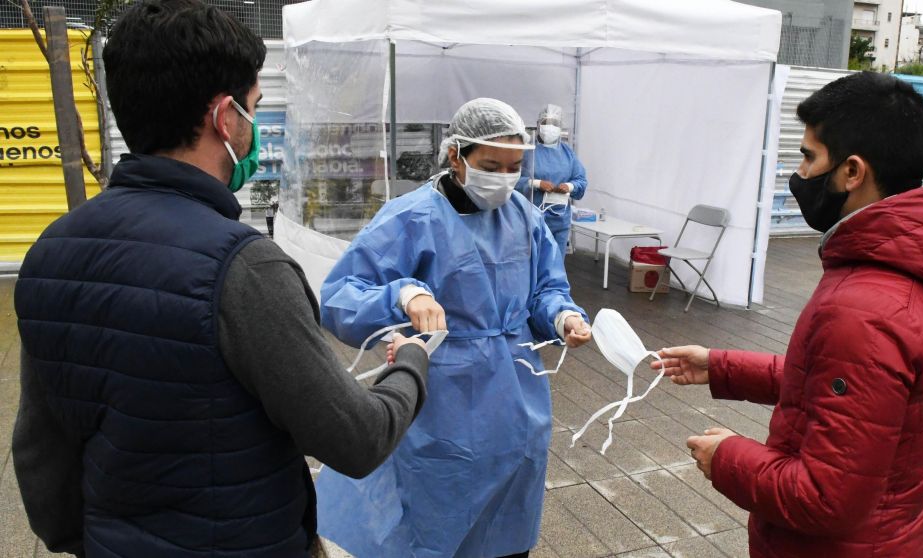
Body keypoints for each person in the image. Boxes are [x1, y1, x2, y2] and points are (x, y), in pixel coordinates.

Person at [12, 2, 429, 556]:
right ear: (225, 117)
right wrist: (413, 366)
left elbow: (42, 453)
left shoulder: (52, 250)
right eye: (255, 108)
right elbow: (355, 439)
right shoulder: (244, 268)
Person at [654, 72, 923, 557]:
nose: (800, 172)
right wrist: (721, 366)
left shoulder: (866, 307)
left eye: (810, 156)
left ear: (853, 172)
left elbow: (825, 499)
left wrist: (728, 456)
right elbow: (855, 392)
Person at [316, 97, 593, 558]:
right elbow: (340, 295)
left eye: (514, 167)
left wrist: (563, 316)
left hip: (515, 397)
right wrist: (404, 294)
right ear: (455, 156)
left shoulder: (524, 216)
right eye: (491, 165)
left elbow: (545, 287)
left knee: (507, 520)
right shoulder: (411, 218)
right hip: (440, 398)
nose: (505, 179)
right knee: (435, 519)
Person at [517, 103, 588, 257]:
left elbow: (581, 180)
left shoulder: (567, 153)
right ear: (538, 125)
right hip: (532, 218)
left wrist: (569, 186)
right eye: (545, 123)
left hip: (559, 220)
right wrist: (535, 183)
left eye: (554, 124)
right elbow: (513, 181)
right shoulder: (528, 152)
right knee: (532, 261)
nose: (549, 127)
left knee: (556, 263)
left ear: (560, 127)